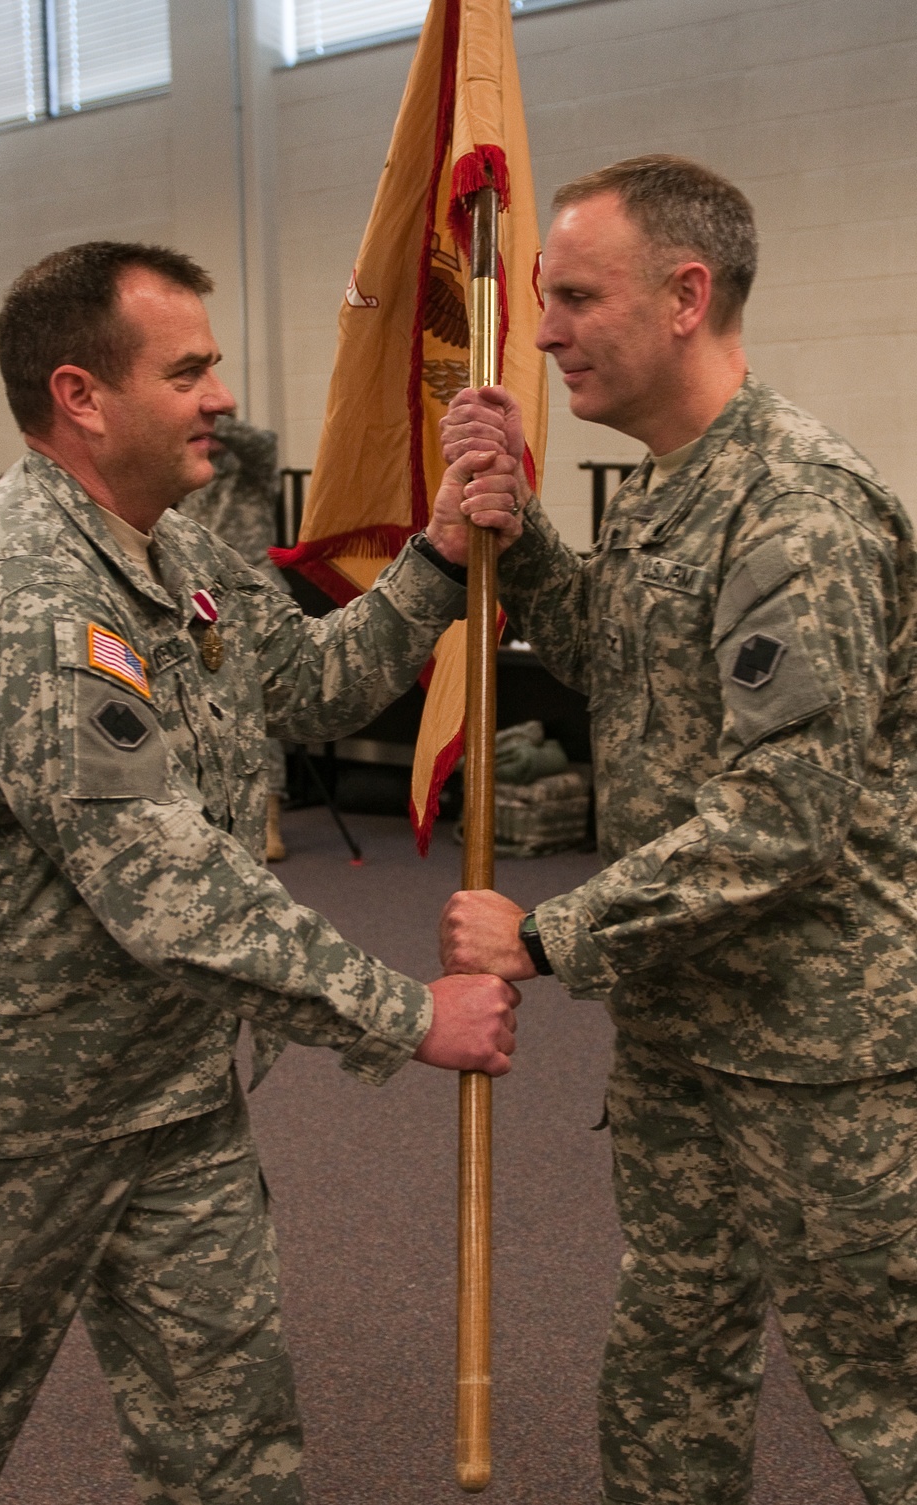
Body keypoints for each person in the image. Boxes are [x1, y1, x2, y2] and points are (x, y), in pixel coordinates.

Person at [0, 240, 521, 1505]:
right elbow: (166, 884)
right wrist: (409, 1013)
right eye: (188, 370)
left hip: (174, 1103)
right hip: (11, 1125)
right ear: (81, 395)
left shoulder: (172, 553)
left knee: (232, 1455)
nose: (220, 396)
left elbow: (308, 682)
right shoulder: (26, 591)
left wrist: (437, 556)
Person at [436, 155, 917, 1505]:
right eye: (538, 299)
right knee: (672, 1359)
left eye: (578, 297)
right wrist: (518, 528)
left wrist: (544, 931)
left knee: (885, 1388)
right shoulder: (663, 482)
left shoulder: (796, 508)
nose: (540, 333)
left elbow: (786, 816)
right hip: (686, 1030)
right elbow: (613, 651)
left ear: (687, 296)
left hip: (820, 1051)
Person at [178, 415, 291, 861]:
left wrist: (209, 420)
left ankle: (268, 818)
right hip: (198, 598)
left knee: (260, 705)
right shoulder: (186, 474)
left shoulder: (249, 469)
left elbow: (263, 441)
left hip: (250, 593)